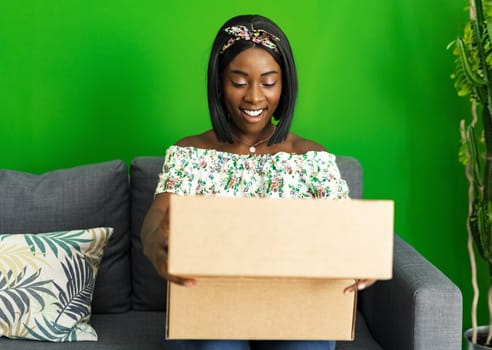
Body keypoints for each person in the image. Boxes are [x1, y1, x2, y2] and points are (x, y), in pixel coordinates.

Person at [141, 14, 375, 350]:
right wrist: (153, 242)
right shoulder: (189, 152)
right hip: (210, 310)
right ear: (219, 84)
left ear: (285, 85)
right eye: (239, 82)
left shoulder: (310, 156)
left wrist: (361, 255)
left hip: (296, 311)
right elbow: (157, 215)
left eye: (268, 82)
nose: (254, 97)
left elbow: (344, 229)